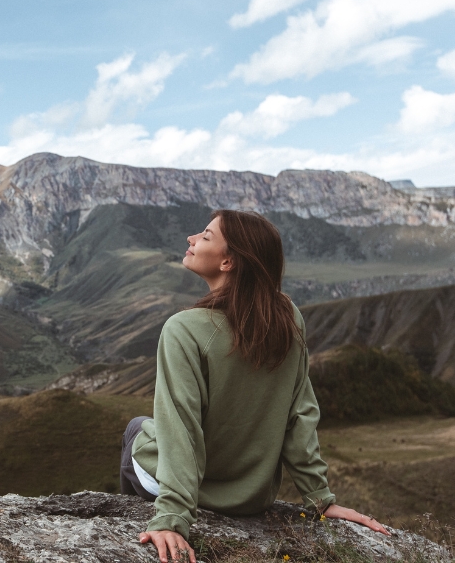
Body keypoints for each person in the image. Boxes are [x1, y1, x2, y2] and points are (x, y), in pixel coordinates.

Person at [119, 210, 389, 563]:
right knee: (144, 426)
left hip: (192, 494)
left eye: (205, 235)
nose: (191, 239)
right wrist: (319, 499)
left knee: (135, 431)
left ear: (228, 261)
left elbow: (180, 426)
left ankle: (137, 517)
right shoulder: (287, 317)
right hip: (251, 497)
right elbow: (300, 413)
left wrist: (172, 518)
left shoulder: (183, 330)